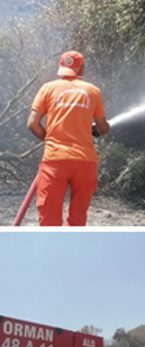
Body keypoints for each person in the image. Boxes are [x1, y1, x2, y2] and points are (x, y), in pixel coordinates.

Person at [26, 50, 109, 226]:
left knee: (49, 220)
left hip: (55, 162)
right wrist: (95, 130)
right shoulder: (93, 91)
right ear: (82, 68)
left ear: (62, 67)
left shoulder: (47, 88)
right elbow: (103, 128)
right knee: (78, 219)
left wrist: (51, 140)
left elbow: (32, 123)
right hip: (85, 162)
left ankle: (53, 252)